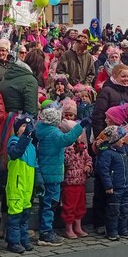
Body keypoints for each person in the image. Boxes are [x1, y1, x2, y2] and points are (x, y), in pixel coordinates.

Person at [34, 104, 87, 246]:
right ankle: (46, 233)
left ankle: (45, 230)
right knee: (50, 204)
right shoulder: (53, 133)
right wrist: (81, 126)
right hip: (52, 174)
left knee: (45, 204)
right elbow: (67, 139)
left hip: (45, 172)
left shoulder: (42, 130)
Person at [5, 115, 42, 253]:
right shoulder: (14, 141)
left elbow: (35, 166)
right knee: (15, 215)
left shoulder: (31, 146)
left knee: (25, 214)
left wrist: (39, 182)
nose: (26, 128)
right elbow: (15, 153)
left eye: (28, 126)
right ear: (16, 129)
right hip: (16, 185)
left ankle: (23, 238)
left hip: (27, 187)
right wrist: (25, 136)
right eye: (23, 126)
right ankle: (13, 241)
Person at [94, 125, 128, 241]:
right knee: (113, 210)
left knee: (124, 209)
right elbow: (104, 170)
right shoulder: (107, 153)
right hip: (114, 187)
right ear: (114, 140)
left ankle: (123, 229)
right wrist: (108, 185)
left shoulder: (123, 150)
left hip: (125, 185)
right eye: (121, 138)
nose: (123, 141)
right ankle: (112, 231)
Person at [59, 100, 93, 238]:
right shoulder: (66, 148)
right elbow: (67, 162)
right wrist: (73, 150)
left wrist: (88, 166)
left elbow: (88, 158)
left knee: (80, 205)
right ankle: (69, 228)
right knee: (70, 206)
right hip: (70, 182)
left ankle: (78, 226)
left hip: (81, 181)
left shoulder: (82, 147)